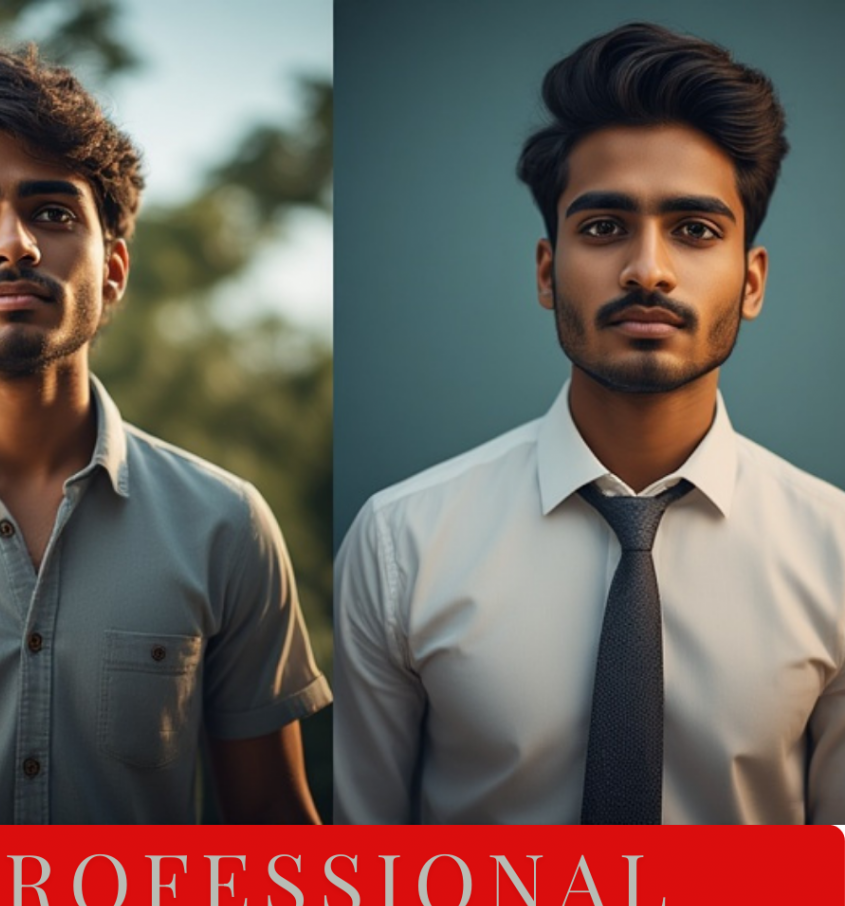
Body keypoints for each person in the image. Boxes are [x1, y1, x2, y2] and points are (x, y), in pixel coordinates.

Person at [334, 22, 845, 825]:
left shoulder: (836, 554)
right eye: (604, 228)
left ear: (752, 281)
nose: (648, 268)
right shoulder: (402, 542)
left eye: (696, 230)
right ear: (548, 271)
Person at [0, 43, 330, 825]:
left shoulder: (226, 524)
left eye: (53, 212)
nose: (15, 244)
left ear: (114, 270)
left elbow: (274, 831)